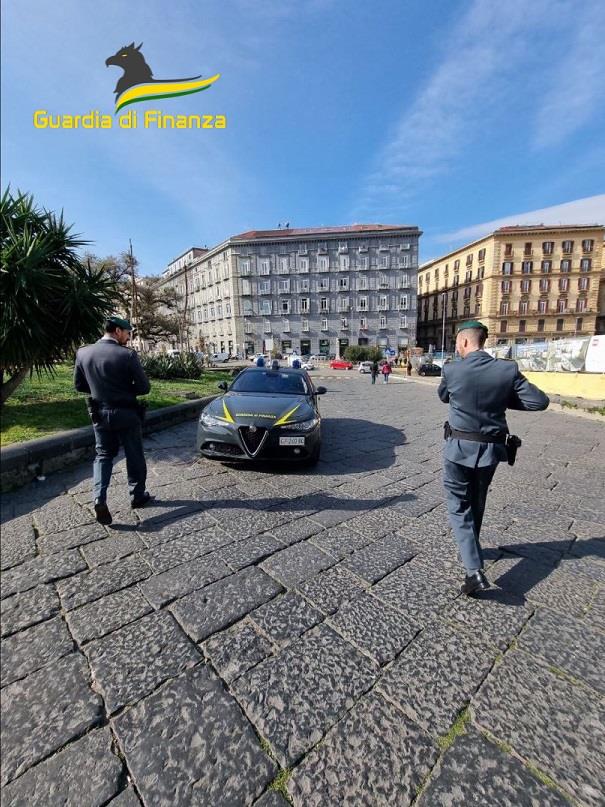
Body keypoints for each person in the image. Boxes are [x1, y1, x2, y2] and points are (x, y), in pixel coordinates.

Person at [438, 320, 549, 595]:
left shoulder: (452, 369)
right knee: (478, 500)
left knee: (458, 506)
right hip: (490, 452)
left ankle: (473, 570)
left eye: (457, 343)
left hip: (457, 450)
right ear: (483, 341)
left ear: (464, 342)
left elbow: (443, 396)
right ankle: (471, 548)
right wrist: (500, 397)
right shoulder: (507, 369)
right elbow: (539, 401)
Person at [74, 316, 153, 525]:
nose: (128, 337)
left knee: (102, 455)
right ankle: (137, 495)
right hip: (127, 413)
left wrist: (101, 389)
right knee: (133, 454)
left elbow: (79, 386)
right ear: (118, 331)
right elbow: (144, 388)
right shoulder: (127, 355)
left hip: (100, 413)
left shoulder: (83, 352)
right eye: (127, 333)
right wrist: (125, 389)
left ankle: (99, 497)